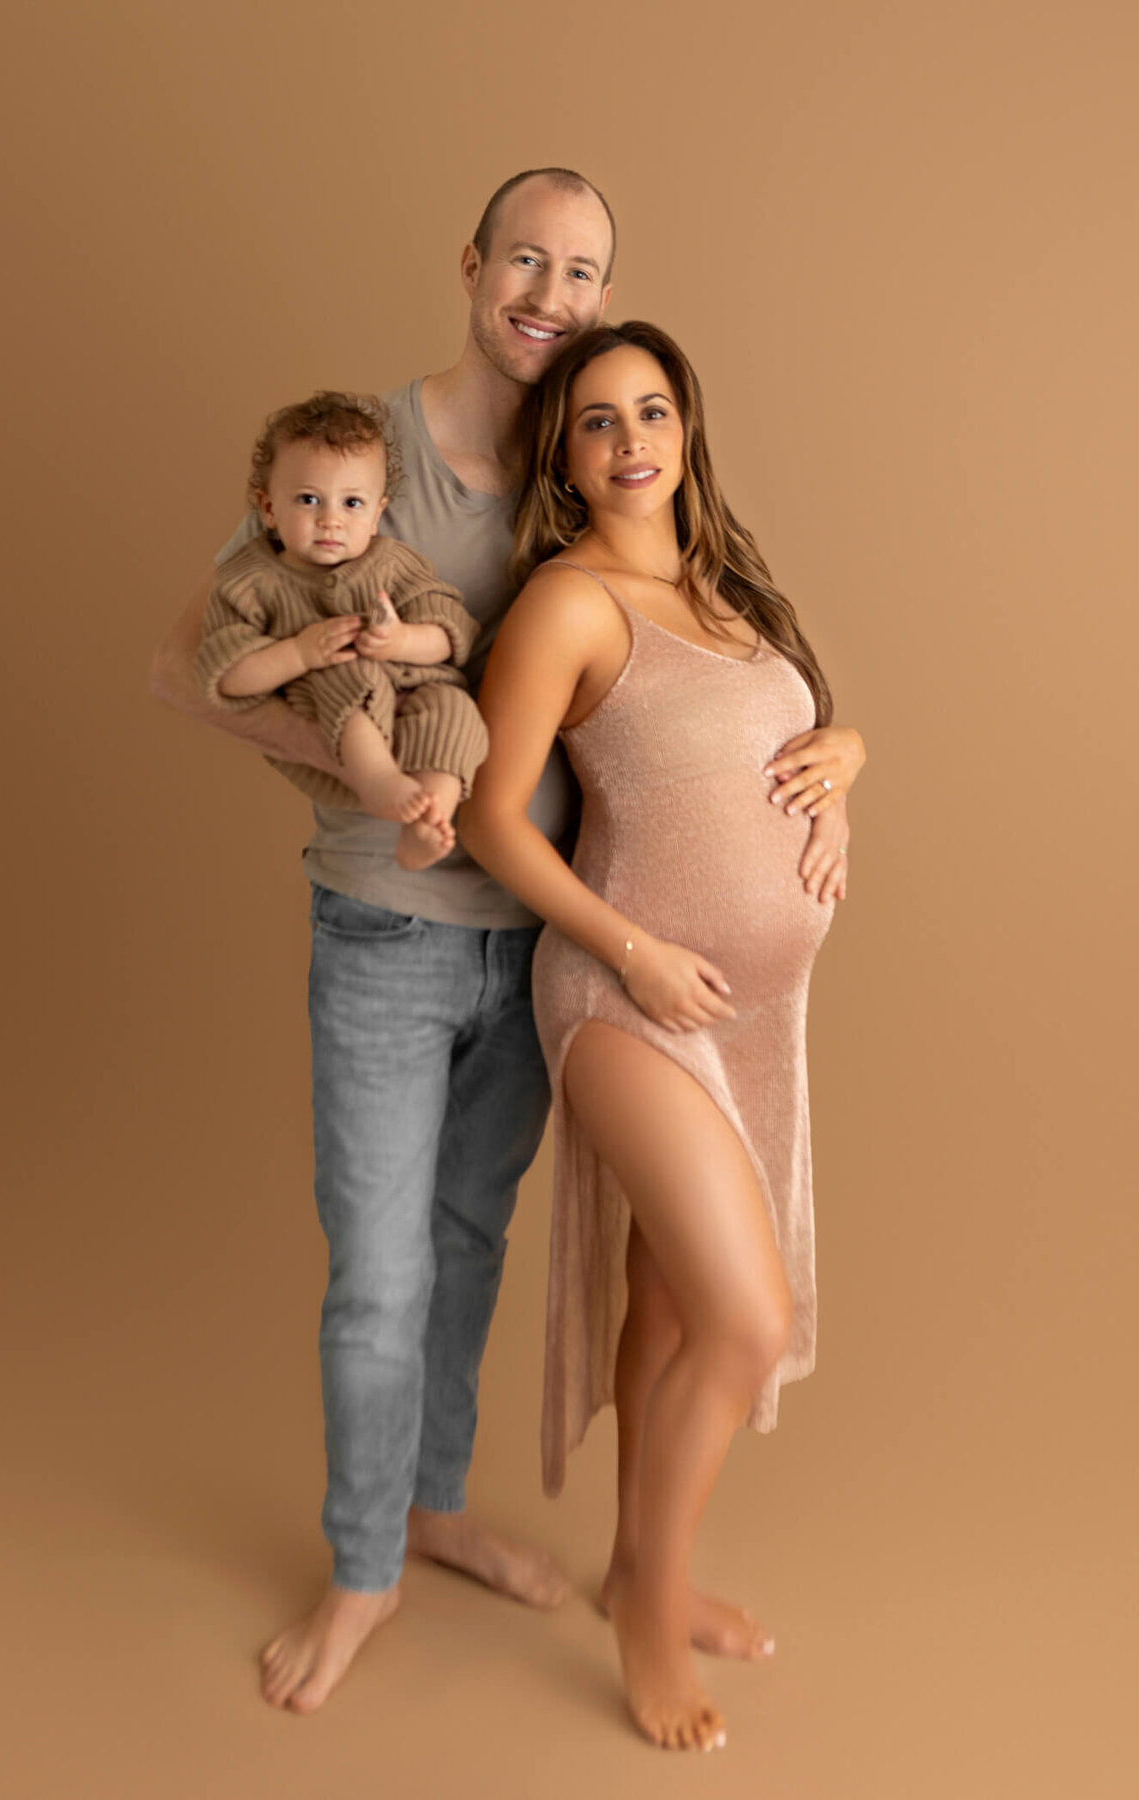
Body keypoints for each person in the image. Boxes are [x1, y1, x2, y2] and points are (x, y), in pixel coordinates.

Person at [149, 168, 617, 1713]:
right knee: (381, 1279)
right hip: (385, 936)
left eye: (582, 270)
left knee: (471, 1247)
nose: (550, 292)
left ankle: (436, 1510)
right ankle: (361, 1576)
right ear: (473, 264)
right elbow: (189, 667)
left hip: (534, 940)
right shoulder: (358, 451)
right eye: (526, 258)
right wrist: (357, 775)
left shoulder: (583, 461)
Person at [459, 319, 860, 1752]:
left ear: (689, 428)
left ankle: (648, 1563)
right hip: (624, 993)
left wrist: (849, 762)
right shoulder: (566, 604)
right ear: (565, 457)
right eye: (596, 423)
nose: (632, 443)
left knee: (677, 1311)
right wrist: (634, 950)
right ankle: (642, 1610)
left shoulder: (726, 586)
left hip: (757, 1012)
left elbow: (793, 734)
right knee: (743, 1321)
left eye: (652, 413)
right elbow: (498, 821)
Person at [196, 390, 488, 870]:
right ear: (268, 509)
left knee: (455, 710)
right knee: (349, 671)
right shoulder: (249, 579)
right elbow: (225, 675)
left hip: (413, 699)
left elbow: (453, 631)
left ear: (377, 513)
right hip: (332, 719)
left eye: (352, 503)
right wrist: (298, 654)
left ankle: (428, 821)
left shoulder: (393, 564)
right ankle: (379, 782)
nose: (330, 519)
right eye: (309, 499)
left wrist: (403, 641)